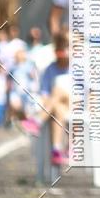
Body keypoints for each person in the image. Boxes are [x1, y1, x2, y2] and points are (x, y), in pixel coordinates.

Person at [19, 30, 70, 166]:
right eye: (65, 45)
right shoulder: (50, 69)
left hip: (76, 103)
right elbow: (45, 94)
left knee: (58, 89)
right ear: (58, 48)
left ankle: (37, 120)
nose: (68, 50)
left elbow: (87, 92)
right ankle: (57, 150)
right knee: (58, 109)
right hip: (59, 106)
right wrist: (51, 103)